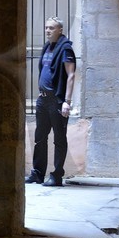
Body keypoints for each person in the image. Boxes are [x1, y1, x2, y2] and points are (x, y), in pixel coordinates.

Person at [27, 15, 76, 187]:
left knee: (59, 139)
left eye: (52, 28)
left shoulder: (65, 49)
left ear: (60, 30)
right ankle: (38, 173)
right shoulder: (47, 47)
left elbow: (71, 75)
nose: (48, 30)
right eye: (46, 27)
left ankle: (56, 175)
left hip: (57, 100)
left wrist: (67, 101)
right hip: (43, 99)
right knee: (40, 137)